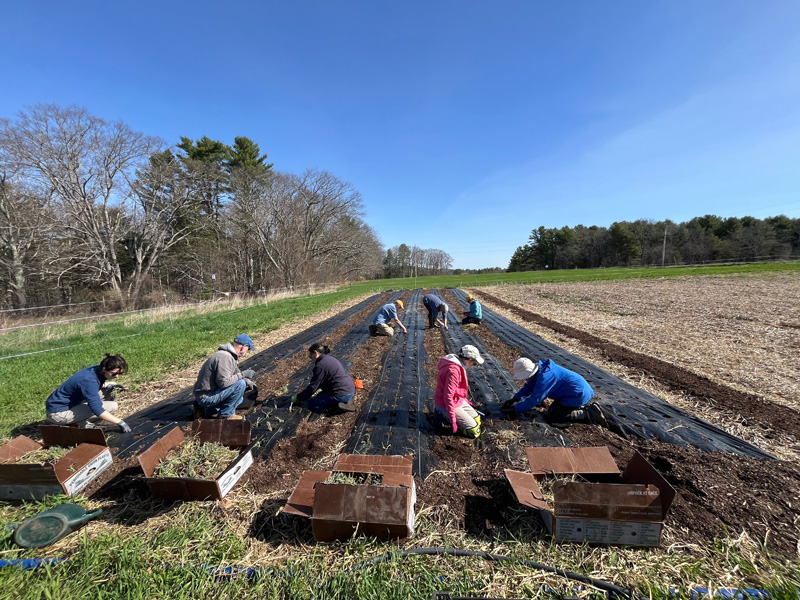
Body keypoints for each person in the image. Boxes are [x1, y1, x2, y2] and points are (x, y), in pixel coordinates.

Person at [501, 357, 608, 428]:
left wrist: (515, 409)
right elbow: (529, 386)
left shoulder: (545, 377)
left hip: (577, 395)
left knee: (553, 417)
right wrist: (515, 398)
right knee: (551, 411)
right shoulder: (540, 370)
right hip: (569, 393)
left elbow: (535, 399)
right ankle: (573, 408)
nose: (525, 379)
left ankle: (587, 413)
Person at [45, 353, 132, 432]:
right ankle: (80, 423)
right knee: (112, 406)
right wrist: (120, 422)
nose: (116, 376)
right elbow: (97, 410)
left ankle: (81, 418)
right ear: (104, 369)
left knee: (110, 390)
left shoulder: (97, 370)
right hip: (58, 413)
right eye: (114, 374)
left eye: (119, 374)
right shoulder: (89, 381)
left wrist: (110, 385)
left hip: (68, 403)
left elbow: (92, 386)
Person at [193, 334, 257, 420]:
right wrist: (243, 375)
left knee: (240, 399)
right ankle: (226, 414)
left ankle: (207, 409)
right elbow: (224, 383)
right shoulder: (224, 357)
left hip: (208, 393)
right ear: (243, 347)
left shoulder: (229, 356)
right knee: (240, 385)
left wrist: (247, 381)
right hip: (206, 396)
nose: (247, 351)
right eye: (248, 349)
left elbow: (236, 372)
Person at [433, 345, 484, 438]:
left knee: (477, 419)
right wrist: (453, 421)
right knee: (474, 431)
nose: (473, 365)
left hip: (456, 400)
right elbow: (448, 397)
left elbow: (456, 390)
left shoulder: (459, 365)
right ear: (468, 360)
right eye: (474, 363)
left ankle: (455, 418)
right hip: (445, 404)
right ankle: (442, 415)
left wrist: (467, 402)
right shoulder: (453, 371)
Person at [291, 343, 357, 413]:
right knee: (320, 395)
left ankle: (334, 408)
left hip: (342, 393)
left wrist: (299, 397)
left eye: (310, 356)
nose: (311, 358)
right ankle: (348, 400)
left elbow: (313, 388)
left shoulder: (320, 366)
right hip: (350, 389)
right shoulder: (329, 359)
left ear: (316, 353)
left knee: (311, 404)